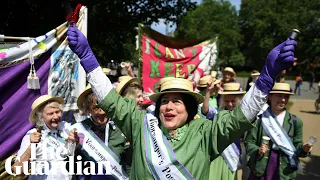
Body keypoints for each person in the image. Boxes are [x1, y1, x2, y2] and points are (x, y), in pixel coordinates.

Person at [67, 24, 297, 179]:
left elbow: (239, 118)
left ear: (189, 109)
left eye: (177, 101)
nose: (168, 106)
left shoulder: (205, 132)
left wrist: (266, 78)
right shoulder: (141, 124)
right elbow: (112, 101)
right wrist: (88, 59)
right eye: (164, 100)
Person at [245, 83, 313, 180]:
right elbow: (249, 142)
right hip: (261, 167)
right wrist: (257, 150)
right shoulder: (259, 119)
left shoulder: (295, 122)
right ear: (270, 97)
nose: (283, 100)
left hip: (284, 168)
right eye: (279, 96)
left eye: (286, 97)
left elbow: (297, 149)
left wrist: (304, 149)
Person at [12, 95, 79, 180]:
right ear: (41, 117)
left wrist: (75, 142)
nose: (56, 117)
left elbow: (70, 153)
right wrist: (31, 147)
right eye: (50, 114)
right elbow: (17, 170)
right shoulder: (32, 135)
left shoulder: (66, 128)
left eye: (57, 112)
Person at [75, 85, 130, 179]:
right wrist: (73, 147)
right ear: (88, 109)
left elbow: (129, 163)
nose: (102, 112)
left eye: (104, 106)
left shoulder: (121, 127)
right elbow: (71, 167)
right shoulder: (80, 130)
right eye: (96, 108)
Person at [209, 82, 246, 180]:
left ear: (239, 100)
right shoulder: (218, 114)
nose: (230, 104)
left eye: (233, 101)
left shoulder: (243, 116)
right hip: (217, 156)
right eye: (227, 101)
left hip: (232, 158)